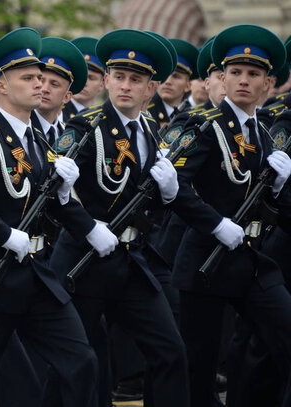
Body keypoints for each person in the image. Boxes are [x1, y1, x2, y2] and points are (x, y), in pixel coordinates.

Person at [0, 27, 98, 407]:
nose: (39, 84)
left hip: (35, 274)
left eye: (42, 78)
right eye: (28, 78)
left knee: (80, 362)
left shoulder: (38, 141)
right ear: (2, 86)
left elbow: (45, 202)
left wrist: (85, 223)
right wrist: (3, 234)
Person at [50, 29, 190, 407]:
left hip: (131, 262)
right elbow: (53, 194)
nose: (126, 86)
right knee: (81, 362)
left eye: (137, 80)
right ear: (107, 80)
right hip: (84, 261)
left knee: (170, 350)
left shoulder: (151, 132)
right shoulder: (83, 128)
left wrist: (172, 193)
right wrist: (88, 228)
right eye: (120, 77)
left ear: (150, 88)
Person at [168, 24, 291, 407]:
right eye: (235, 73)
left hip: (254, 259)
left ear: (268, 84)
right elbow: (176, 189)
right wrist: (215, 223)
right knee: (199, 367)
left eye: (253, 74)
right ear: (221, 77)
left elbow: (271, 205)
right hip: (208, 257)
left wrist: (279, 188)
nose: (243, 80)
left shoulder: (269, 133)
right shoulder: (202, 126)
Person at [31, 37, 88, 148]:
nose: (44, 89)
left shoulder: (69, 134)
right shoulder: (23, 128)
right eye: (41, 80)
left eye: (54, 84)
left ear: (67, 97)